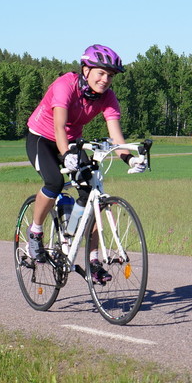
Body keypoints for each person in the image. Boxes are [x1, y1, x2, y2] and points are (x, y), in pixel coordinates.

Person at [25, 44, 146, 282]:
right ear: (85, 70)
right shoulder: (65, 85)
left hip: (71, 141)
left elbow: (116, 137)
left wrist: (130, 158)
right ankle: (36, 232)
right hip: (41, 137)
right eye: (100, 73)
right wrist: (66, 154)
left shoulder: (108, 97)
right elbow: (59, 126)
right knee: (54, 181)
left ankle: (92, 260)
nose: (105, 79)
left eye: (110, 75)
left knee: (93, 195)